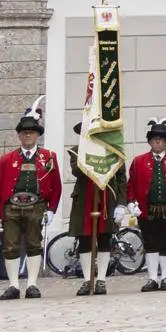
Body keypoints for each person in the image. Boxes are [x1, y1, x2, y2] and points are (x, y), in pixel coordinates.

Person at [1, 109, 60, 299]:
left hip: (36, 206)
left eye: (31, 132)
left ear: (37, 135)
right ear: (19, 135)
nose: (28, 135)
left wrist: (51, 209)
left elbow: (57, 186)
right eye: (24, 132)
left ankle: (32, 284)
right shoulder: (6, 159)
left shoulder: (48, 158)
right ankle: (13, 285)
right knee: (10, 245)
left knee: (34, 244)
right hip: (11, 207)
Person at [126, 119, 166, 291]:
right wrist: (131, 203)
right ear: (150, 141)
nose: (158, 142)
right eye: (154, 139)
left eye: (161, 139)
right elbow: (131, 185)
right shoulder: (138, 161)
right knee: (150, 243)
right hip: (147, 210)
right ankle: (152, 278)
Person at [67, 122, 125, 296]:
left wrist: (121, 203)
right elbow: (77, 171)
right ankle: (86, 279)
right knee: (84, 239)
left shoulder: (113, 150)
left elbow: (122, 179)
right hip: (85, 199)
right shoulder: (77, 150)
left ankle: (101, 279)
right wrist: (89, 152)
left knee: (104, 238)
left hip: (107, 198)